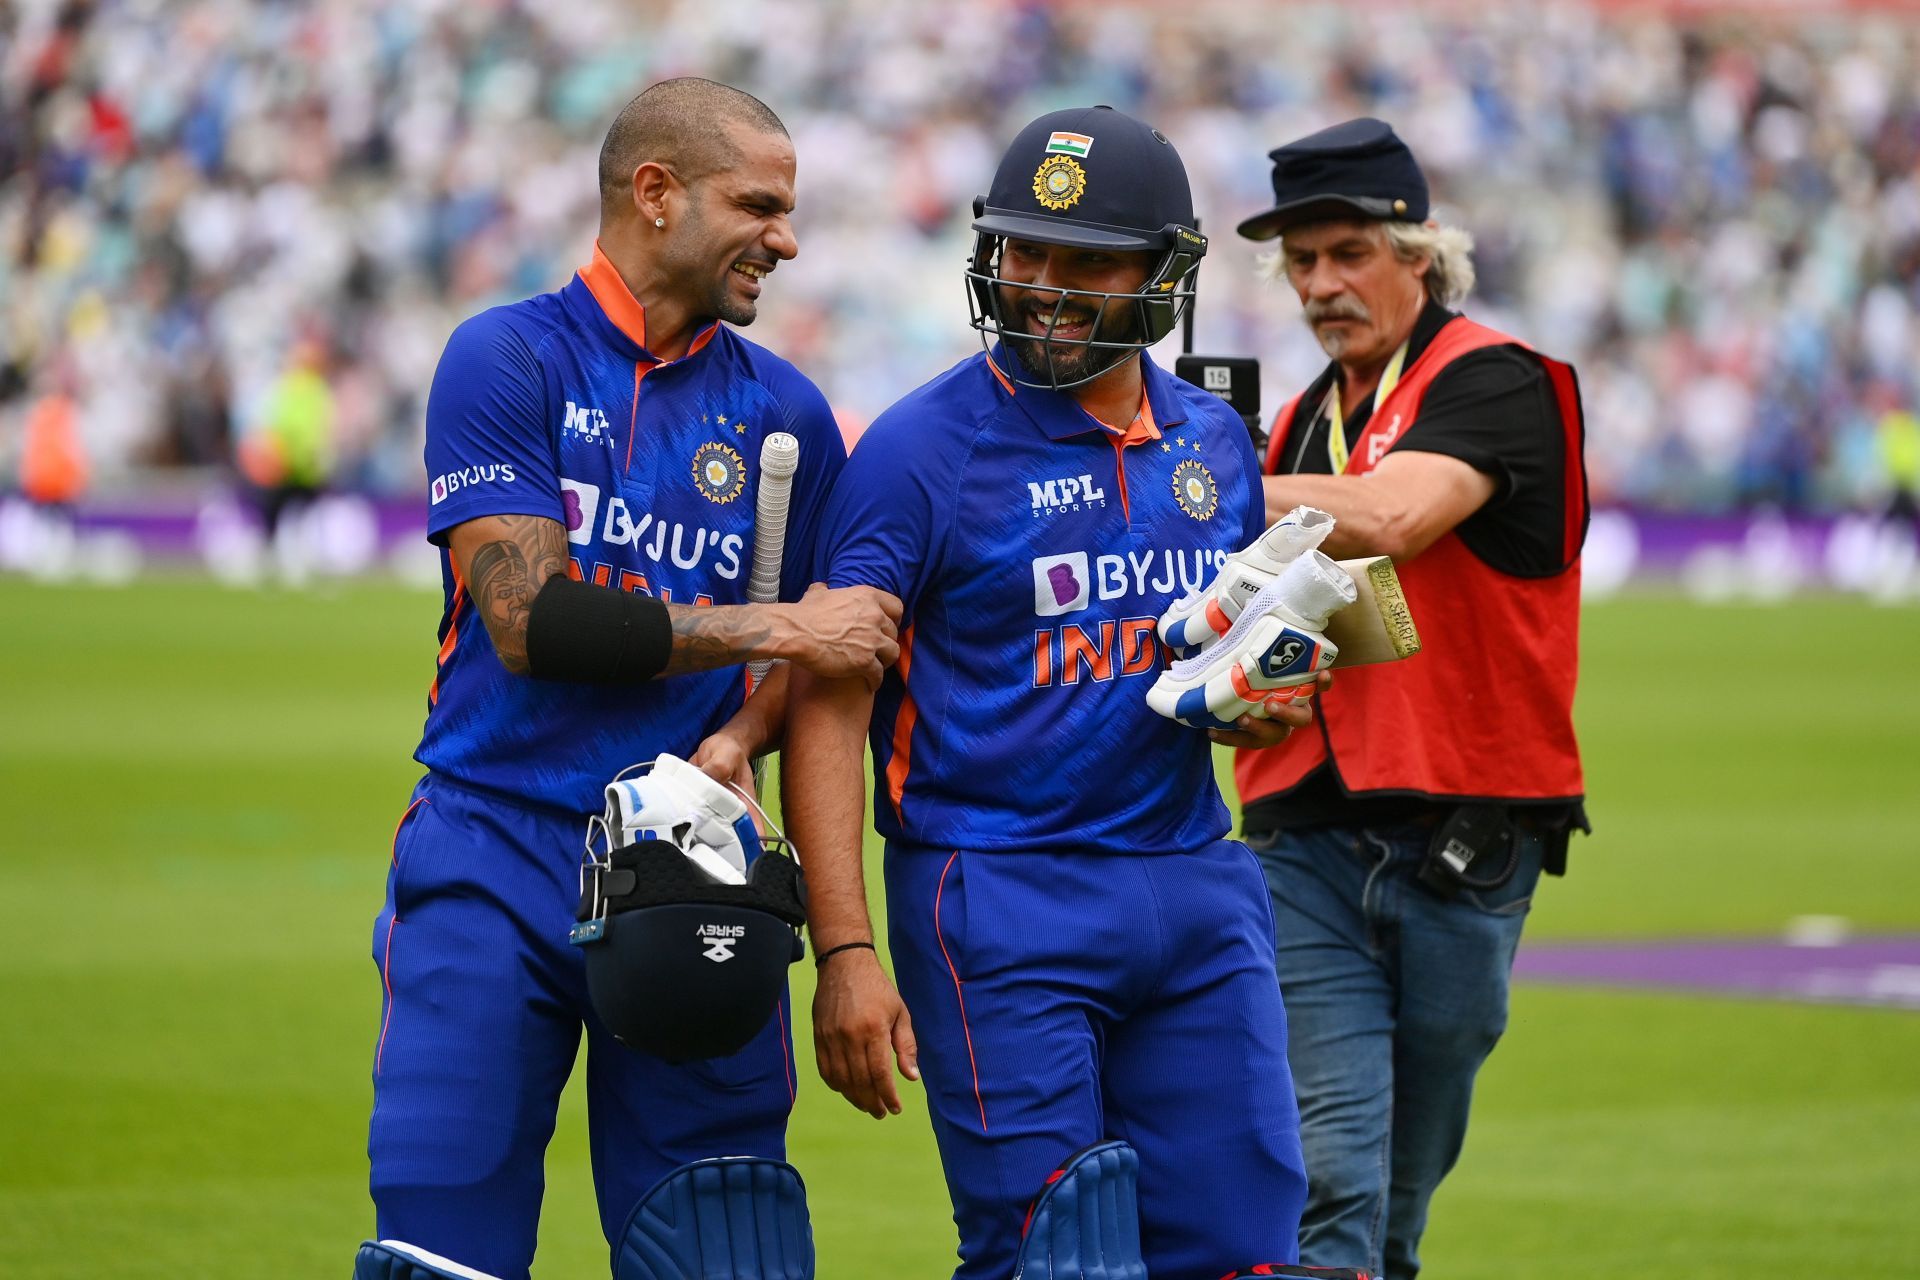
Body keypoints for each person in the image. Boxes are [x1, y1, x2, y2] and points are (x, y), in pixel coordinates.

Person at [361, 78, 901, 1280]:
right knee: (438, 1249)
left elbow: (823, 663)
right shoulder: (507, 358)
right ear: (655, 194)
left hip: (701, 862)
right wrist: (776, 626)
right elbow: (531, 621)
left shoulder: (788, 414)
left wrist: (755, 712)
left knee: (725, 1245)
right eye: (759, 204)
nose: (788, 238)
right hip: (495, 845)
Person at [783, 105, 1312, 1280]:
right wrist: (846, 949)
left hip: (1196, 882)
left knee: (1247, 1251)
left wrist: (1263, 698)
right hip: (995, 891)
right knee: (1050, 1255)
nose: (1044, 286)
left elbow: (1209, 660)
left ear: (1165, 273)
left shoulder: (1217, 442)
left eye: (1086, 262)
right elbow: (828, 704)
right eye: (1024, 252)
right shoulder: (918, 450)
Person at [1232, 117, 1591, 1279]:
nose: (1323, 285)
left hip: (1466, 839)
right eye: (1301, 262)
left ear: (1419, 252)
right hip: (1307, 837)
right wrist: (1245, 692)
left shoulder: (1497, 380)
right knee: (1328, 1167)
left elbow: (1392, 516)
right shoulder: (1299, 421)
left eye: (1348, 253)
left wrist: (1193, 476)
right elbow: (1253, 635)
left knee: (1393, 1193)